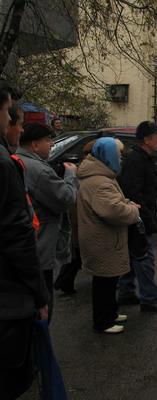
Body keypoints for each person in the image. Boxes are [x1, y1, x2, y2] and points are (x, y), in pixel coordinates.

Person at [0, 84, 49, 399]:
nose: (8, 121)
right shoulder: (6, 164)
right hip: (9, 297)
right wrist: (40, 294)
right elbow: (17, 237)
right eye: (6, 112)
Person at [16, 123, 78, 322]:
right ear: (35, 145)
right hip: (42, 247)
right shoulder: (39, 170)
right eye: (48, 140)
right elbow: (66, 198)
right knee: (42, 308)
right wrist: (70, 176)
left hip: (27, 247)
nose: (52, 144)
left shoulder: (18, 161)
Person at [77, 138, 140, 333]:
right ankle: (103, 321)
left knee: (109, 280)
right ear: (108, 156)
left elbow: (114, 201)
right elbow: (113, 211)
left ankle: (111, 313)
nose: (121, 159)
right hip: (102, 240)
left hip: (101, 239)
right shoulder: (100, 181)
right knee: (104, 283)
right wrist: (133, 210)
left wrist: (126, 203)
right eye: (119, 155)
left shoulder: (101, 176)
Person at [117, 121, 157, 312]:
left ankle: (126, 293)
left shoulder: (144, 158)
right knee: (144, 257)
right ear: (147, 140)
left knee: (133, 255)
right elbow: (133, 192)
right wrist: (147, 218)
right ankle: (149, 299)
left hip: (137, 215)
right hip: (137, 217)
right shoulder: (137, 160)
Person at [54, 140, 96, 295]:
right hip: (79, 215)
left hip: (77, 215)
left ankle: (64, 282)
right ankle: (63, 282)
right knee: (77, 255)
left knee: (76, 255)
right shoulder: (84, 170)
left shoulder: (80, 168)